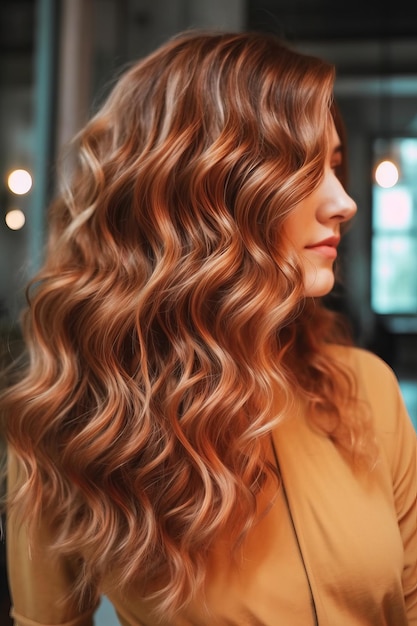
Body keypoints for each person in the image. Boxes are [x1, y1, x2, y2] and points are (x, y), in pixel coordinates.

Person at [1, 29, 416, 626]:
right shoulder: (73, 422)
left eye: (334, 164)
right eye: (302, 168)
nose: (344, 201)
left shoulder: (365, 392)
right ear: (206, 192)